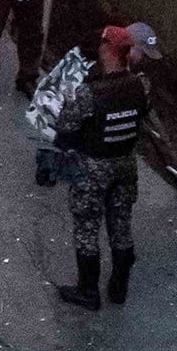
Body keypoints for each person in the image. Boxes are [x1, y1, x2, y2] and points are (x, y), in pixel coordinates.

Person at [53, 26, 150, 311]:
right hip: (125, 164)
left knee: (86, 228)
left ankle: (88, 291)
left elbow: (65, 125)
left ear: (107, 50)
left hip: (92, 168)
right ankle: (119, 288)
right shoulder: (140, 86)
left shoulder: (90, 93)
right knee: (121, 226)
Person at [27, 21, 163, 187]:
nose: (142, 59)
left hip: (52, 105)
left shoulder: (99, 47)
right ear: (129, 46)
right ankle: (50, 164)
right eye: (141, 52)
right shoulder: (97, 65)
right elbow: (77, 103)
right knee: (81, 143)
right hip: (52, 111)